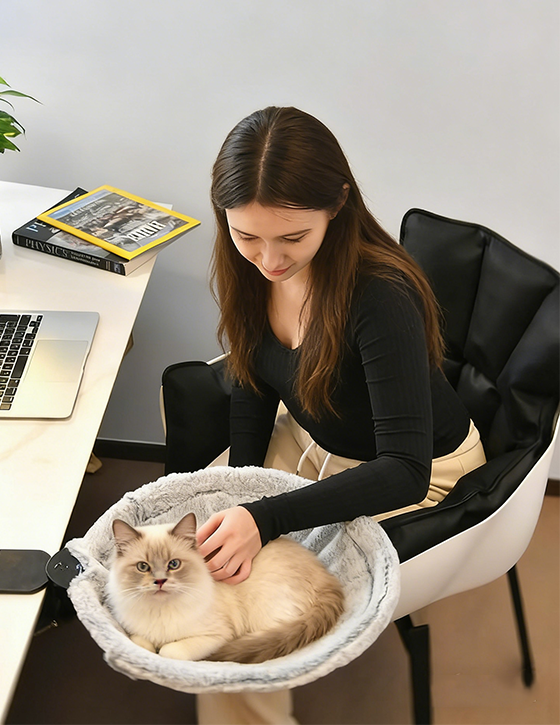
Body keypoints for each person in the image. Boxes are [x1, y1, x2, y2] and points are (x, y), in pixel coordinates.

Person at [194, 107, 485, 724]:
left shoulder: (379, 294)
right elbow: (251, 379)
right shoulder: (249, 269)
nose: (269, 259)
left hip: (423, 470)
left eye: (292, 238)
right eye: (247, 236)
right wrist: (243, 492)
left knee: (257, 592)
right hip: (314, 435)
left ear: (338, 204)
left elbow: (404, 469)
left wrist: (265, 517)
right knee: (197, 532)